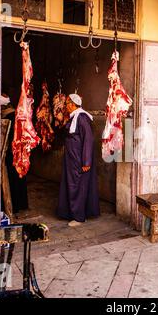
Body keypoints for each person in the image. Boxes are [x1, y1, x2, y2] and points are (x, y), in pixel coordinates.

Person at [56, 93, 100, 227]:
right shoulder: (73, 117)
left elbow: (88, 140)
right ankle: (72, 213)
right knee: (71, 185)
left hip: (79, 160)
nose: (66, 106)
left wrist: (86, 161)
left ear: (74, 105)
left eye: (68, 104)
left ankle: (79, 217)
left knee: (78, 186)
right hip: (72, 159)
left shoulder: (82, 118)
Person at [1, 92, 29, 214]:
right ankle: (22, 203)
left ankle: (16, 205)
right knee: (19, 177)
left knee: (13, 178)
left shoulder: (8, 117)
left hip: (12, 152)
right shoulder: (17, 115)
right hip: (20, 151)